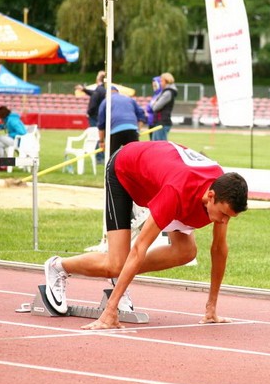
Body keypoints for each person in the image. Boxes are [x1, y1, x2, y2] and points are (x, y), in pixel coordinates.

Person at [43, 141, 249, 330]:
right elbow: (139, 248)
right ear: (211, 196)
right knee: (116, 264)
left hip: (161, 177)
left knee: (185, 251)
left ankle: (119, 278)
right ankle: (58, 266)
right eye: (223, 214)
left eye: (229, 217)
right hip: (124, 171)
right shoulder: (176, 193)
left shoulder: (224, 191)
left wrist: (211, 308)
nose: (224, 221)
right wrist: (110, 311)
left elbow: (219, 249)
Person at [97, 86, 147, 157]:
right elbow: (142, 115)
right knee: (134, 156)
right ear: (117, 92)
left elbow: (101, 125)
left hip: (115, 130)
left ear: (106, 93)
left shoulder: (105, 101)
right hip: (131, 129)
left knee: (112, 157)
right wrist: (137, 129)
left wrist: (101, 141)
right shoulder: (129, 99)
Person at [150, 72, 178, 141]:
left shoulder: (168, 93)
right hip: (160, 122)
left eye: (161, 81)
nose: (160, 83)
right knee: (155, 144)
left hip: (162, 122)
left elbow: (155, 107)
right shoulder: (166, 92)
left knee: (160, 145)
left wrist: (154, 104)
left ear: (166, 81)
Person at [145, 75, 162, 140]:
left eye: (155, 85)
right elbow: (149, 107)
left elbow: (152, 107)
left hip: (155, 121)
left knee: (156, 141)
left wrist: (150, 108)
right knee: (152, 140)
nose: (154, 87)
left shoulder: (160, 95)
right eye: (153, 85)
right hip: (151, 121)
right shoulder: (155, 95)